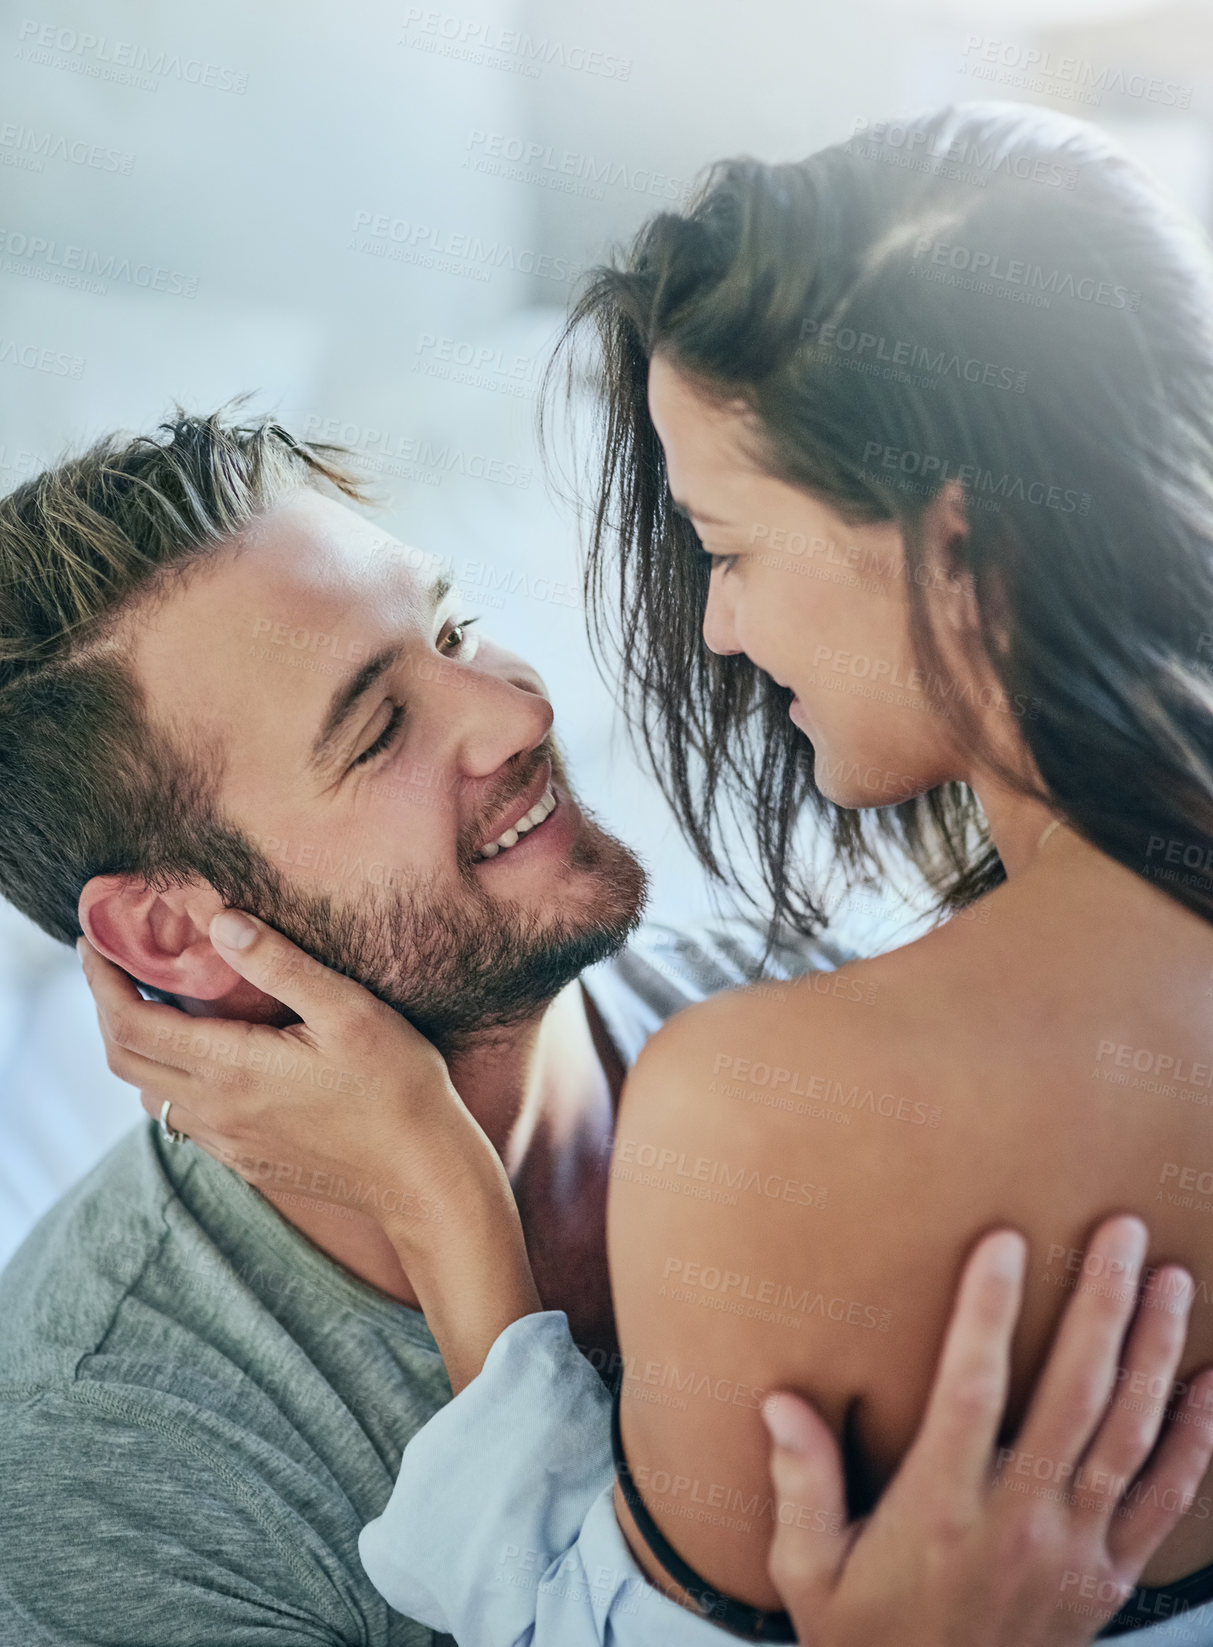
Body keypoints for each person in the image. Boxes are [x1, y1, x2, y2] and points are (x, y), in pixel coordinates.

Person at [82, 98, 1213, 1642]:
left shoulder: (778, 1089)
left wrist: (445, 1209)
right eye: (373, 727)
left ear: (957, 550)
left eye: (728, 547)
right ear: (166, 928)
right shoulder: (110, 1467)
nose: (714, 631)